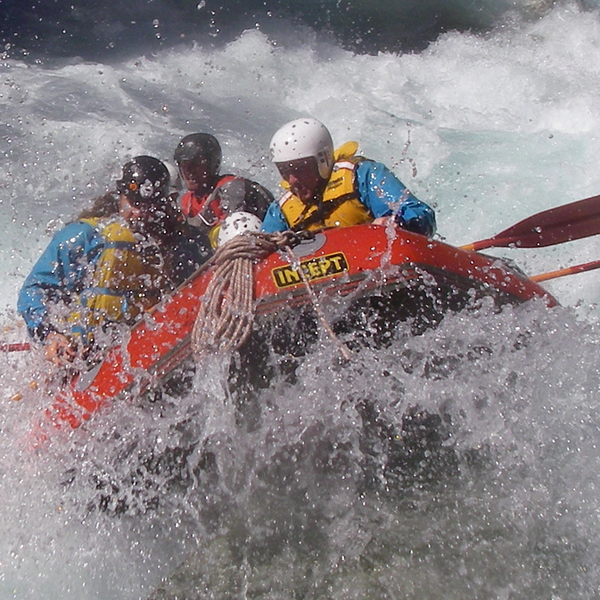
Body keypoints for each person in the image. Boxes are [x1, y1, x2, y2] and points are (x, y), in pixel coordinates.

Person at [17, 156, 192, 366]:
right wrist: (50, 334)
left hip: (138, 345)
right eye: (134, 204)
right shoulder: (84, 235)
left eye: (149, 206)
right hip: (80, 351)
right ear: (121, 198)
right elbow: (34, 289)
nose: (139, 214)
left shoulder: (173, 242)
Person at [261, 118, 437, 237]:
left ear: (322, 160)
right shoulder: (280, 210)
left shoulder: (362, 176)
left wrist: (396, 223)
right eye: (284, 171)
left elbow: (420, 215)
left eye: (300, 169)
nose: (292, 180)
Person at [173, 133, 273, 248]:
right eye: (184, 165)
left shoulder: (232, 189)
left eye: (196, 164)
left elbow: (240, 235)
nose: (189, 171)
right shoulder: (187, 201)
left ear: (213, 164)